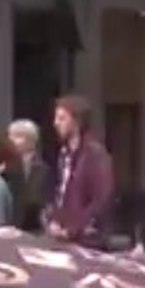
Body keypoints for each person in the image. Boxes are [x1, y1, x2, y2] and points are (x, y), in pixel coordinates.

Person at [44, 95, 115, 247]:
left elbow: (102, 199)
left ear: (76, 121)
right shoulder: (63, 154)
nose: (55, 123)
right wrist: (54, 220)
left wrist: (73, 229)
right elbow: (60, 193)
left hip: (88, 241)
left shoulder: (95, 154)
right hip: (62, 238)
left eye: (62, 119)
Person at [7, 119, 51, 233]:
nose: (11, 140)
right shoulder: (5, 169)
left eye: (17, 136)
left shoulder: (44, 170)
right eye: (10, 136)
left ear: (31, 140)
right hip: (11, 230)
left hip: (35, 231)